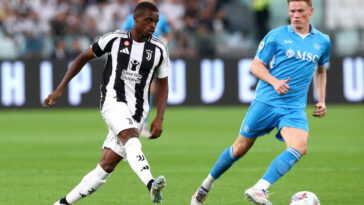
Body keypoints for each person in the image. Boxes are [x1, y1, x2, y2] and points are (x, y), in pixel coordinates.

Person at [190, 0, 330, 204]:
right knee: (239, 148)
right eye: (292, 11)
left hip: (293, 108)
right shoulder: (276, 36)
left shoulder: (322, 41)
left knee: (299, 147)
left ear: (311, 11)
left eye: (301, 11)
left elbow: (320, 70)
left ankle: (259, 188)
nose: (296, 15)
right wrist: (274, 82)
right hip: (267, 102)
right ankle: (205, 186)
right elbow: (255, 66)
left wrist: (322, 100)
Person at [43, 2, 170, 204]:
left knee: (105, 168)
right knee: (130, 137)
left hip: (138, 112)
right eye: (149, 20)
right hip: (113, 102)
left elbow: (163, 84)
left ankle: (61, 203)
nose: (153, 25)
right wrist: (59, 89)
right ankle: (151, 184)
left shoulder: (159, 49)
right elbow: (82, 58)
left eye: (156, 21)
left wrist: (159, 117)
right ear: (135, 19)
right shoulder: (115, 39)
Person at [122, 0, 171, 138]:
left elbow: (168, 33)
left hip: (151, 56)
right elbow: (123, 34)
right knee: (130, 87)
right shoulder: (130, 18)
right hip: (134, 57)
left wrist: (165, 41)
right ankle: (126, 119)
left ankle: (142, 123)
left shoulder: (161, 18)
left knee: (150, 88)